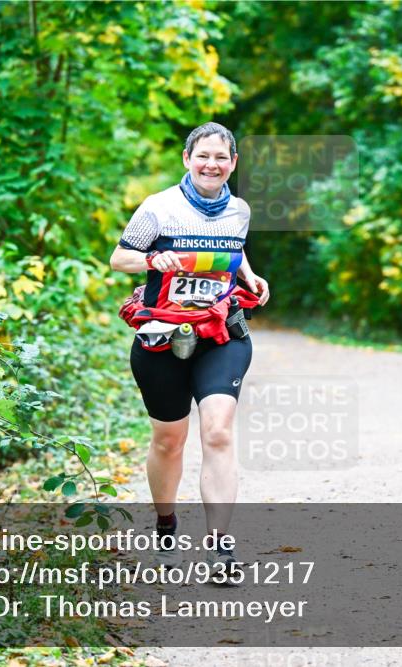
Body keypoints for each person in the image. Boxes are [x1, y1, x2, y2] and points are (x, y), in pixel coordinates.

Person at [110, 122, 270, 574]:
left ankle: (220, 547)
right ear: (187, 159)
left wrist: (249, 277)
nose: (211, 164)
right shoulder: (158, 208)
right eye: (203, 156)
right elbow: (119, 257)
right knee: (169, 440)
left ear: (233, 163)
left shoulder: (239, 210)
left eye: (221, 158)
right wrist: (149, 259)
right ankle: (165, 522)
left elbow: (233, 252)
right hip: (161, 337)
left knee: (218, 431)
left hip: (220, 335)